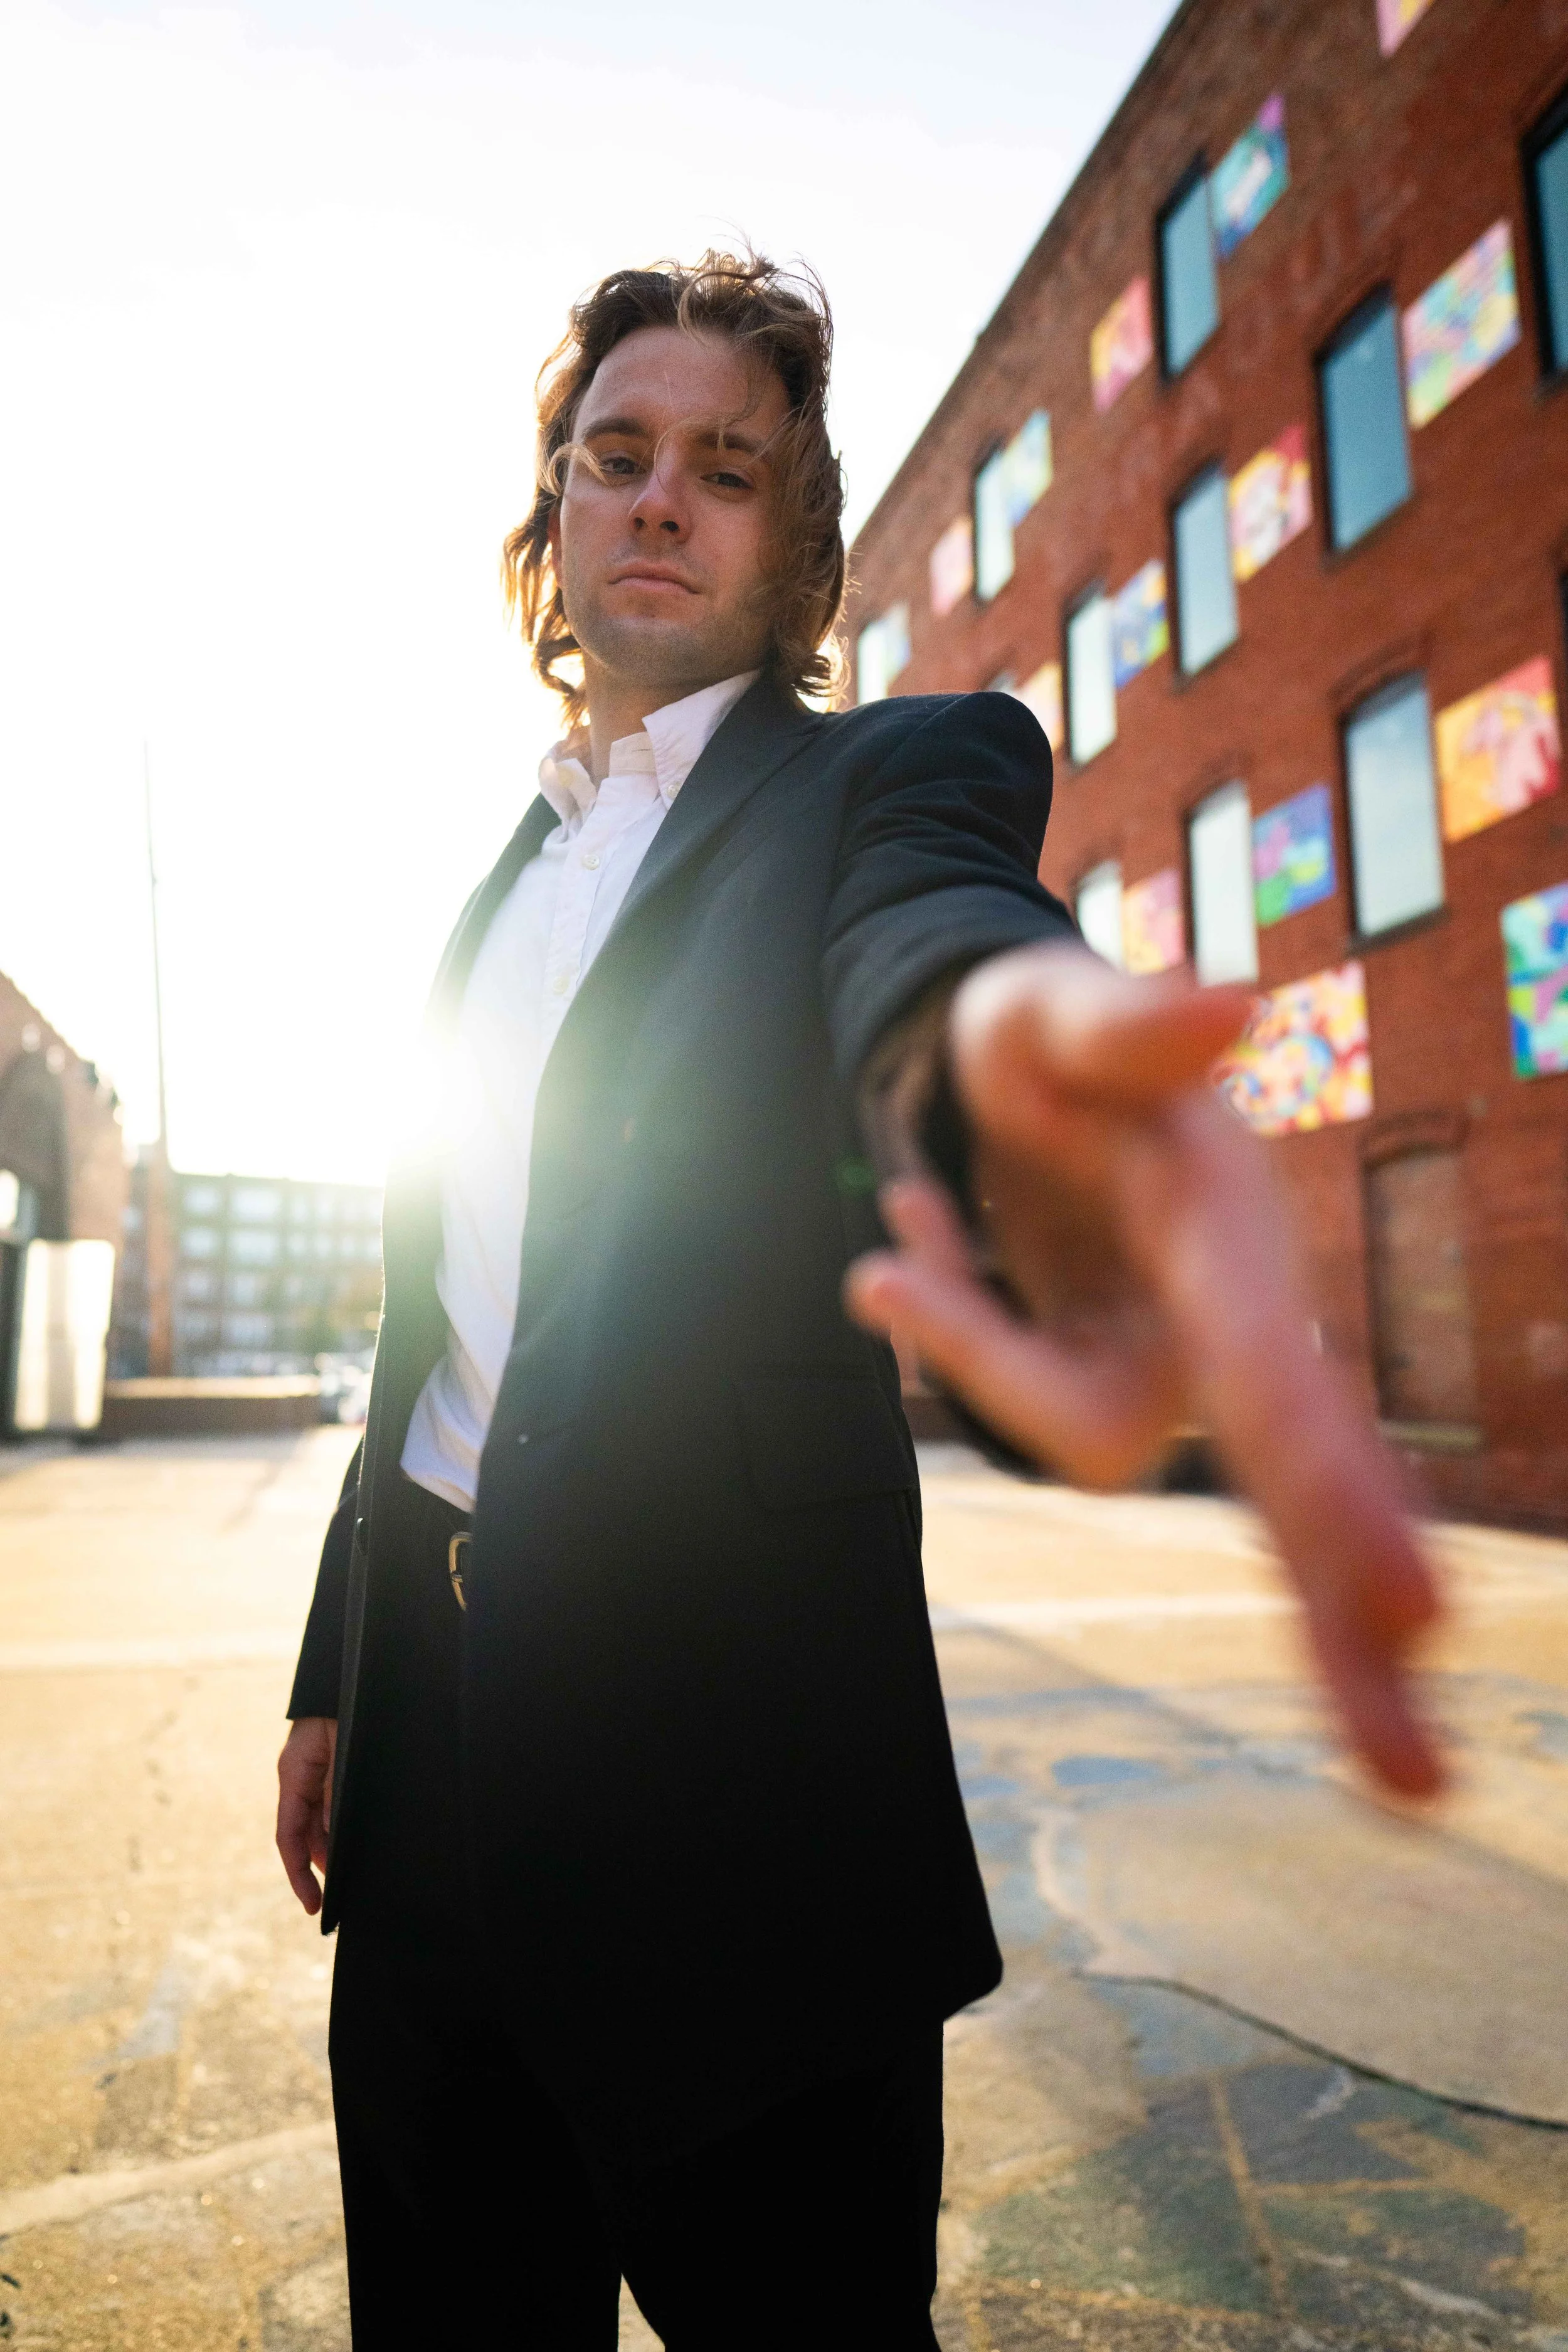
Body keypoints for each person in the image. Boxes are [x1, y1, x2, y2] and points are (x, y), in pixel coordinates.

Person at [277, 251, 1441, 2349]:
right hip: (429, 1792)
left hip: (737, 1802)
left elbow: (941, 948)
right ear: (551, 519)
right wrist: (335, 1665)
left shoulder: (883, 783)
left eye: (727, 468)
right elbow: (430, 1324)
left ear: (800, 540)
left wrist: (1024, 1090)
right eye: (615, 458)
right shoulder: (495, 878)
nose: (660, 499)